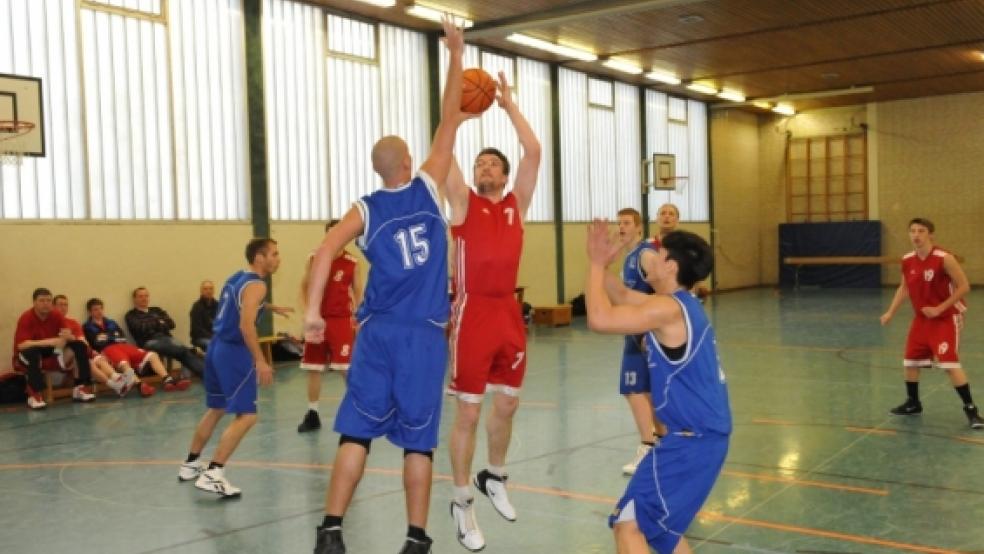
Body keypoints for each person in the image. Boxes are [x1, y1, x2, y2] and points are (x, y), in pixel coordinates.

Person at [307, 16, 472, 554]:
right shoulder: (428, 186)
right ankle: (415, 539)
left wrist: (312, 310)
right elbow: (451, 116)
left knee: (355, 433)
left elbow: (325, 248)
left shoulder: (366, 209)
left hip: (375, 334)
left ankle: (331, 529)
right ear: (407, 163)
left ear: (380, 171)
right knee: (417, 444)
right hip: (422, 336)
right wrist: (454, 54)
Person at [584, 220, 730, 554]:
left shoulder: (667, 308)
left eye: (658, 253)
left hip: (691, 442)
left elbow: (599, 319)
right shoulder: (680, 305)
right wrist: (601, 264)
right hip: (695, 439)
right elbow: (619, 294)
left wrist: (594, 265)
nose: (650, 256)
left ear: (670, 266)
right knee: (659, 532)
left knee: (629, 526)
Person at [442, 69, 541, 551]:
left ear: (502, 174)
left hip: (508, 312)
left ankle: (494, 474)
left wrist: (508, 105)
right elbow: (443, 160)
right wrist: (457, 118)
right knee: (468, 412)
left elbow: (534, 152)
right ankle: (462, 501)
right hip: (472, 313)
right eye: (478, 163)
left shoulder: (516, 205)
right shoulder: (462, 204)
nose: (482, 168)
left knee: (507, 402)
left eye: (490, 164)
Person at [176, 238, 287, 497]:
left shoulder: (237, 277)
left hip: (215, 348)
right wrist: (260, 360)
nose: (278, 258)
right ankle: (214, 472)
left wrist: (269, 307)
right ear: (259, 258)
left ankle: (191, 463)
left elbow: (237, 305)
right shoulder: (257, 285)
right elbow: (246, 326)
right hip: (234, 352)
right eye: (274, 254)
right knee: (247, 415)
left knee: (216, 408)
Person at [880, 218, 984, 429]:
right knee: (910, 361)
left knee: (949, 364)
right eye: (912, 231)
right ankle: (913, 403)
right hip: (922, 319)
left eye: (921, 231)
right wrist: (890, 312)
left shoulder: (944, 258)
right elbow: (904, 288)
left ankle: (972, 411)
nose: (916, 235)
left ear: (930, 235)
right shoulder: (907, 260)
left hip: (946, 317)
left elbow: (964, 287)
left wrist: (940, 308)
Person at [297, 220, 362, 433]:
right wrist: (307, 314)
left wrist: (359, 319)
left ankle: (358, 408)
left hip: (341, 320)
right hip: (318, 320)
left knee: (345, 367)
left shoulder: (353, 262)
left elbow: (359, 293)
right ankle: (313, 413)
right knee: (313, 368)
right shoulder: (314, 258)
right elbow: (305, 286)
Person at [614, 209, 662, 476]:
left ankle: (647, 445)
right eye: (619, 222)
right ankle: (659, 444)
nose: (621, 227)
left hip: (644, 335)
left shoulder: (645, 255)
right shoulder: (628, 257)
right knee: (645, 392)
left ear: (639, 228)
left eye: (626, 223)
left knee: (633, 390)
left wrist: (651, 328)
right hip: (633, 333)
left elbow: (665, 289)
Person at [83, 297, 189, 397]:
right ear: (90, 312)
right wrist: (111, 337)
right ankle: (140, 385)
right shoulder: (87, 327)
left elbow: (121, 336)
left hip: (123, 346)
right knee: (123, 363)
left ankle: (167, 379)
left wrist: (107, 337)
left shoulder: (111, 322)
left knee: (152, 355)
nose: (99, 311)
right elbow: (96, 342)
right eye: (95, 309)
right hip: (108, 350)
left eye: (101, 308)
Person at [12, 288, 96, 409]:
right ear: (34, 302)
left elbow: (66, 336)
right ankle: (34, 394)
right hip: (25, 355)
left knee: (80, 346)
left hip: (52, 351)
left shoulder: (56, 314)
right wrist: (49, 341)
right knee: (32, 352)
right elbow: (22, 345)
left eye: (48, 300)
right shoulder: (26, 317)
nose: (46, 304)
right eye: (42, 300)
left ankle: (80, 387)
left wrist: (69, 337)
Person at [53, 295, 132, 397]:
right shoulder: (51, 323)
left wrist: (92, 352)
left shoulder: (73, 323)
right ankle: (116, 384)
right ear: (53, 307)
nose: (63, 307)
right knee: (87, 359)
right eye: (60, 305)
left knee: (96, 358)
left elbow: (82, 341)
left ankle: (117, 379)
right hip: (60, 356)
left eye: (66, 305)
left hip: (78, 355)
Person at [125, 287, 205, 377]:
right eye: (141, 296)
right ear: (135, 299)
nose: (144, 299)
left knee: (181, 351)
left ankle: (203, 374)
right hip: (148, 341)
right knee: (182, 350)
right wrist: (158, 321)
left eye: (146, 296)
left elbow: (171, 324)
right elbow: (140, 328)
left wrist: (151, 324)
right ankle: (191, 352)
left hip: (166, 338)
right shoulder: (131, 315)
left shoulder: (156, 310)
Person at [190, 280, 218, 351]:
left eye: (211, 288)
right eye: (205, 289)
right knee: (215, 345)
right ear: (201, 291)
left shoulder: (218, 305)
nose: (208, 291)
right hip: (200, 338)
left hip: (217, 337)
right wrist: (213, 337)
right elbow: (197, 330)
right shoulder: (196, 307)